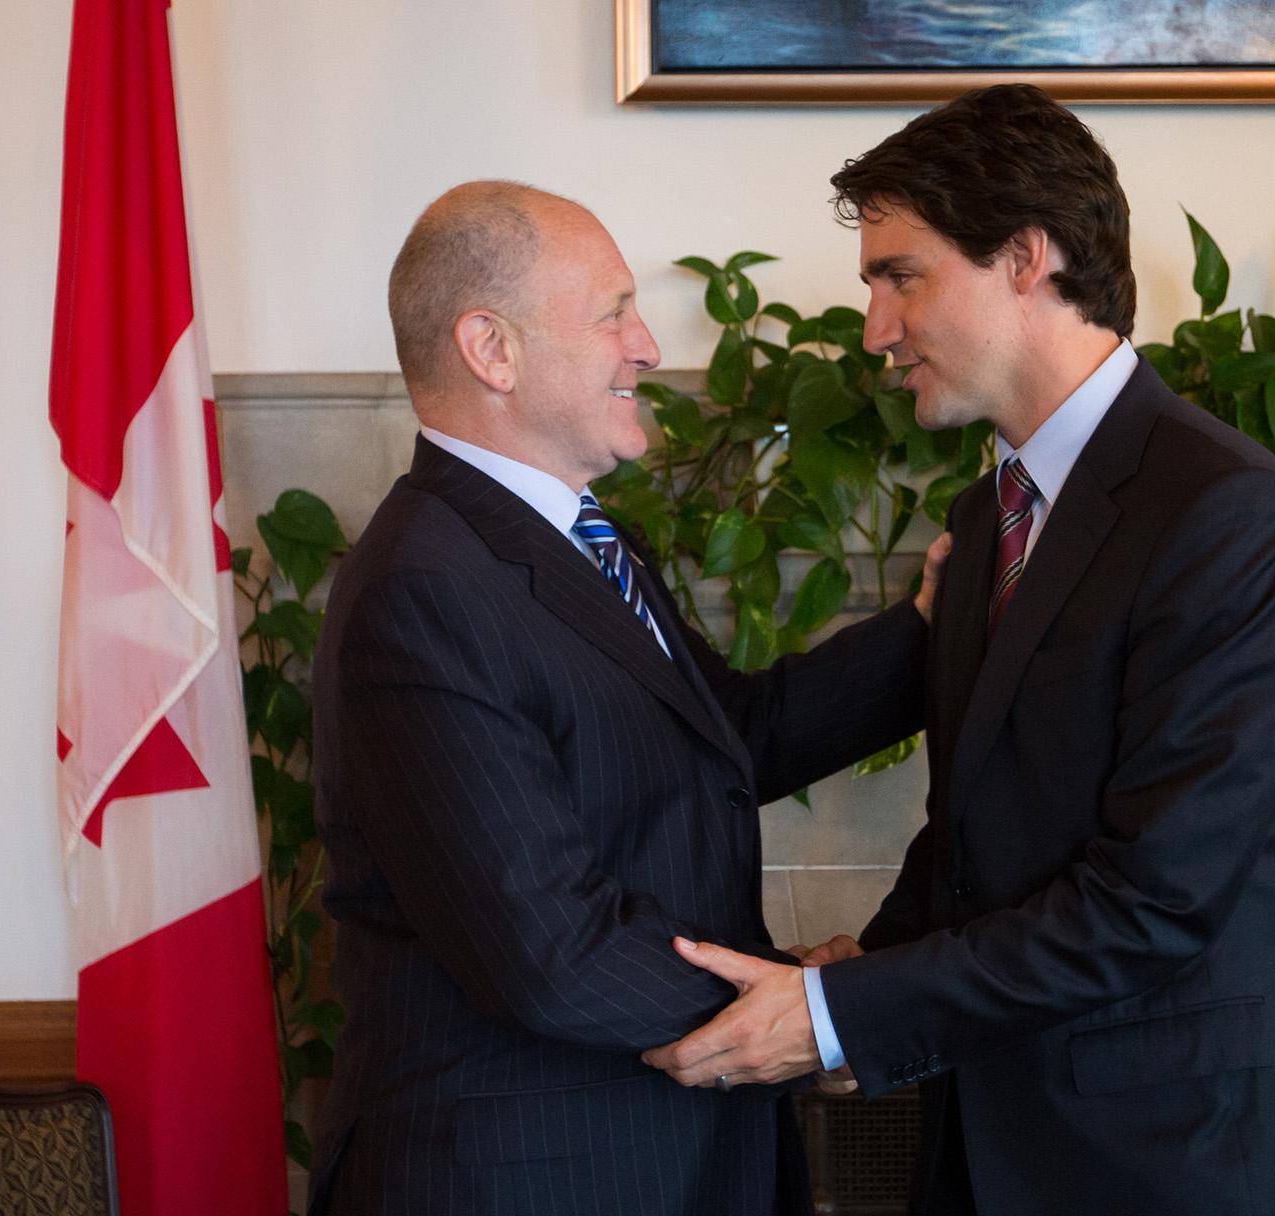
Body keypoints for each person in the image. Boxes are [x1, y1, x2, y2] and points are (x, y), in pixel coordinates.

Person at [643, 86, 1275, 1216]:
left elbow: (1155, 896)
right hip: (997, 1128)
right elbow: (980, 826)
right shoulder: (993, 516)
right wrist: (865, 968)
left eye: (902, 276)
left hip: (1182, 1156)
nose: (876, 331)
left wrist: (843, 1016)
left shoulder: (1224, 508)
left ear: (1027, 257)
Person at [307, 180, 946, 1216]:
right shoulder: (424, 591)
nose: (648, 347)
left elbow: (727, 735)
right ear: (491, 349)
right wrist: (805, 1008)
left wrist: (935, 629)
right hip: (532, 1175)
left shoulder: (576, 538)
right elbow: (550, 950)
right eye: (613, 311)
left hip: (669, 1157)